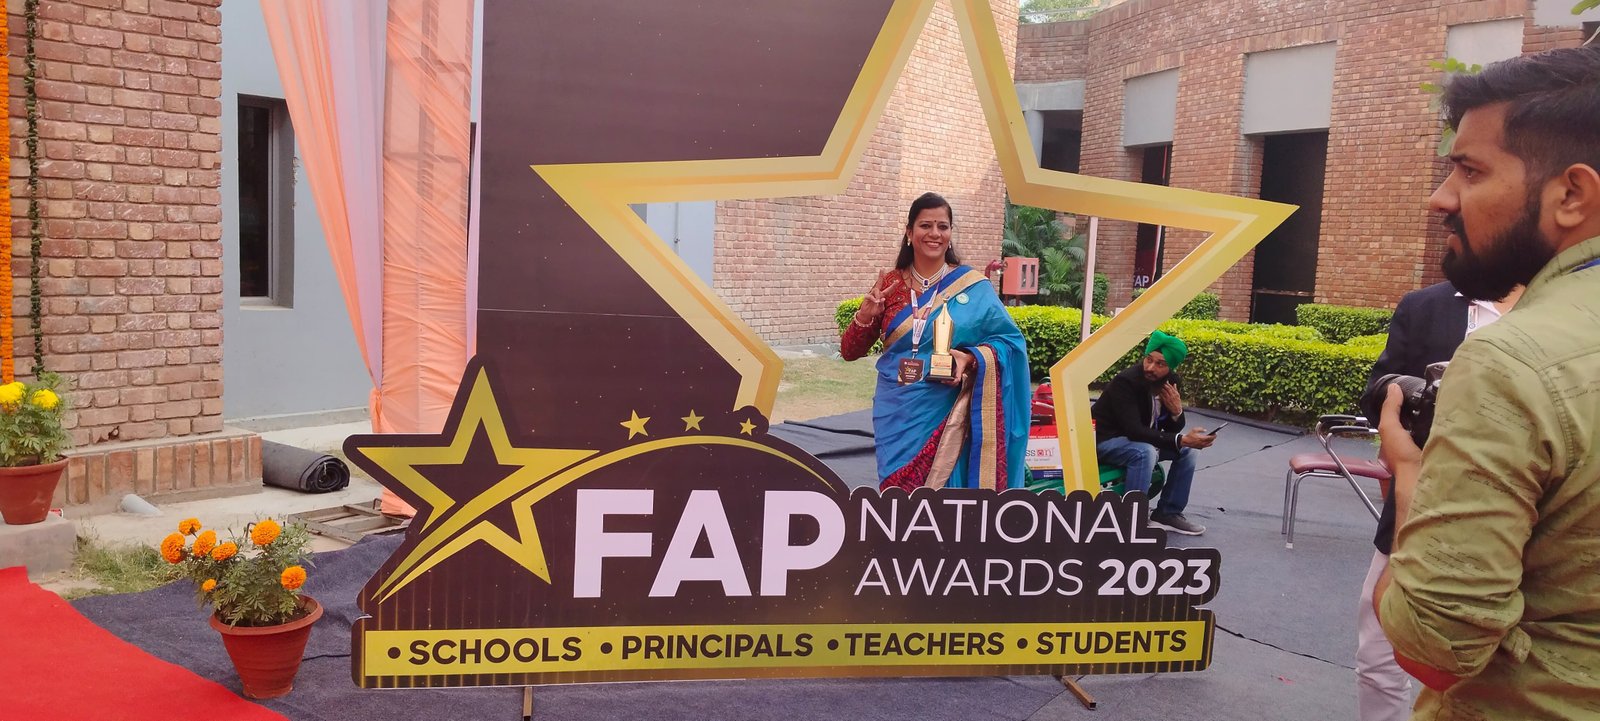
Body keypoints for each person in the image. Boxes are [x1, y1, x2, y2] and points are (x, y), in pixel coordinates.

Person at [1372, 46, 1600, 719]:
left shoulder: (1511, 362)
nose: (1440, 197)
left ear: (1572, 195)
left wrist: (1409, 474)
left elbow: (1432, 650)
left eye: (1470, 171)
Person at [1354, 280, 1522, 721]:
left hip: (1521, 523)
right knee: (1378, 649)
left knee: (1500, 663)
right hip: (1416, 505)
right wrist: (1415, 397)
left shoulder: (1565, 305)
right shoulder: (1426, 305)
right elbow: (1376, 392)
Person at [840, 192, 1030, 491]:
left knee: (947, 498)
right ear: (909, 232)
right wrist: (865, 316)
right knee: (898, 495)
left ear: (950, 234)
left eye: (943, 226)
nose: (934, 234)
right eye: (925, 225)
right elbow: (850, 352)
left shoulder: (972, 286)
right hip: (897, 412)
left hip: (948, 410)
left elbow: (1010, 342)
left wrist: (970, 358)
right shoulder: (890, 285)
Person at [1090, 330, 1214, 535]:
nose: (1150, 367)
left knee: (1189, 451)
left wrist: (1176, 412)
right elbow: (1134, 430)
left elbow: (1171, 429)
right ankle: (1131, 518)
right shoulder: (1126, 382)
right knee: (1144, 452)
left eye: (1160, 364)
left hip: (1138, 441)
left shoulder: (1169, 384)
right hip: (1103, 441)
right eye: (1149, 359)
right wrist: (1181, 439)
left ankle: (1167, 513)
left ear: (1171, 367)